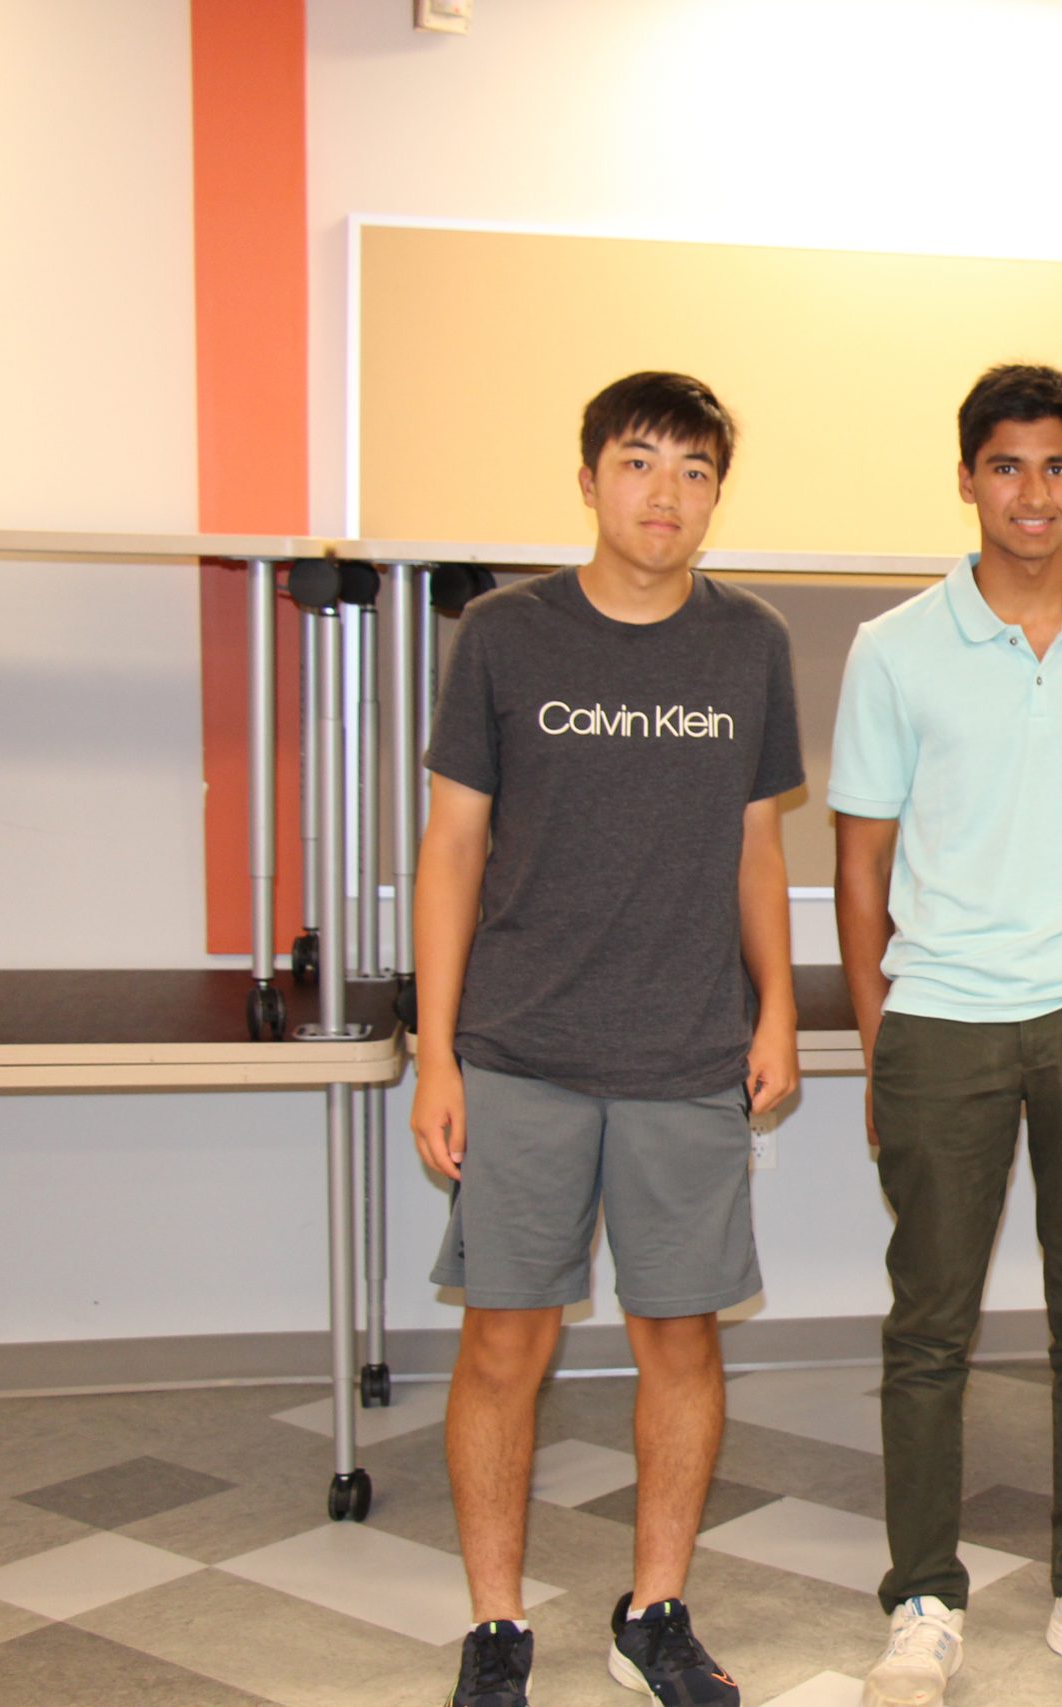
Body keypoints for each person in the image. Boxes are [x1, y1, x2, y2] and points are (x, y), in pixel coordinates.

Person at [412, 371, 803, 1707]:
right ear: (588, 479)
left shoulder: (749, 642)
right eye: (640, 463)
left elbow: (759, 843)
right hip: (519, 1049)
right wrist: (436, 1052)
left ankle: (656, 1607)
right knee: (502, 1344)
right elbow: (452, 845)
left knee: (680, 1340)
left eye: (695, 472)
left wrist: (781, 1009)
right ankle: (497, 1624)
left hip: (686, 1052)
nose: (666, 495)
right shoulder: (505, 634)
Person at [831, 363, 1062, 1707]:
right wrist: (881, 1036)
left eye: (1055, 466)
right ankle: (923, 1600)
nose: (1030, 493)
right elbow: (860, 862)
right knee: (928, 1329)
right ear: (969, 477)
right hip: (941, 1020)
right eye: (1005, 465)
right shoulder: (895, 648)